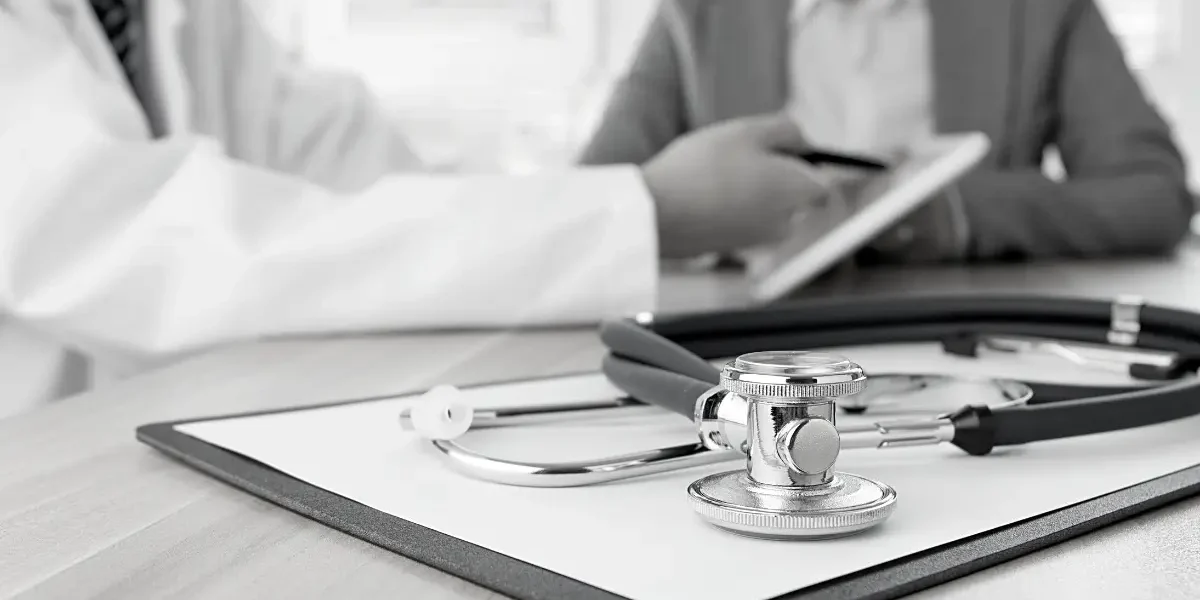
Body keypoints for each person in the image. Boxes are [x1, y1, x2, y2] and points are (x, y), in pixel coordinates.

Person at [0, 0, 826, 418]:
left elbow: (366, 182)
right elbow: (148, 252)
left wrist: (625, 210)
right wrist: (646, 209)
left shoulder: (185, 15)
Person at [579, 0, 1196, 264]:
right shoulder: (698, 13)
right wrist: (690, 209)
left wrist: (961, 214)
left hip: (972, 342)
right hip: (743, 354)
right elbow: (586, 209)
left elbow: (1154, 195)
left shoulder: (1039, 9)